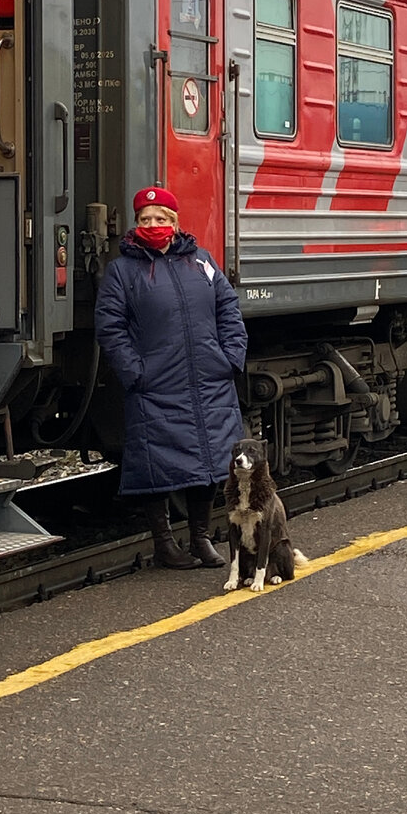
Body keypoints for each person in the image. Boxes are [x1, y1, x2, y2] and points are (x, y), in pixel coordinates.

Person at [94, 186, 248, 569]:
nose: (153, 225)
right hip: (155, 384)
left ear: (175, 223)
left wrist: (230, 358)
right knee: (156, 467)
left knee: (212, 464)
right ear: (136, 225)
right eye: (145, 220)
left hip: (209, 380)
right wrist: (135, 372)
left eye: (161, 219)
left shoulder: (201, 262)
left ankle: (200, 539)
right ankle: (164, 544)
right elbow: (109, 327)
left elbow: (228, 309)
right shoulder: (123, 270)